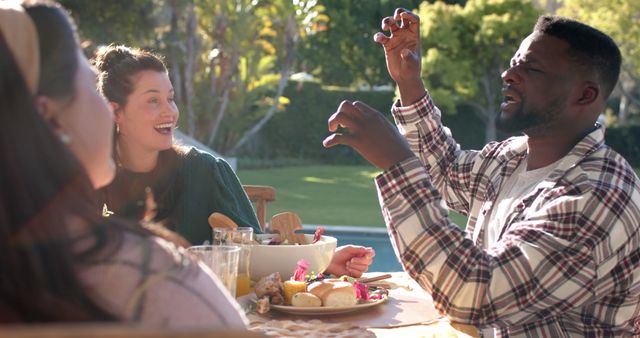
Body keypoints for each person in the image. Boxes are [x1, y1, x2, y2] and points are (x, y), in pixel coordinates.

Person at [324, 8, 640, 337]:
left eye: (531, 68)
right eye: (514, 63)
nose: (508, 74)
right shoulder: (512, 158)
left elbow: (476, 294)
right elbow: (445, 172)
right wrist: (409, 81)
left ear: (585, 94)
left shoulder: (596, 195)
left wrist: (396, 164)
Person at [0, 1, 247, 328]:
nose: (170, 111)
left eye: (170, 98)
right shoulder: (152, 274)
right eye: (90, 86)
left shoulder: (27, 267)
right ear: (51, 118)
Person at [94, 44, 374, 278]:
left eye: (170, 99)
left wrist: (324, 262)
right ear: (115, 113)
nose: (170, 112)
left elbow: (260, 256)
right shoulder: (89, 181)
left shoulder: (205, 172)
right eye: (153, 101)